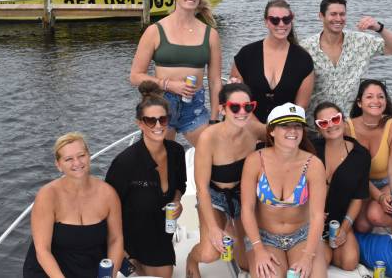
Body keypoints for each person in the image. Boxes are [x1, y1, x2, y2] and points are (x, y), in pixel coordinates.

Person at [130, 0, 222, 147]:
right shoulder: (155, 31)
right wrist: (169, 85)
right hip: (161, 104)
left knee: (214, 152)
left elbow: (215, 81)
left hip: (194, 106)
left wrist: (214, 119)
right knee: (159, 161)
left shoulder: (211, 35)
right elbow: (135, 76)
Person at [106, 81, 187, 278]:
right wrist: (119, 249)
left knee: (166, 274)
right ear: (140, 123)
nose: (158, 126)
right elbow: (107, 207)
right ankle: (130, 262)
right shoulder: (125, 163)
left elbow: (180, 185)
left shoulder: (176, 152)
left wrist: (177, 202)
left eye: (163, 119)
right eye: (151, 121)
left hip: (159, 232)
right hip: (131, 236)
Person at [241, 103, 327, 278]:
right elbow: (247, 209)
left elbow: (317, 215)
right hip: (264, 237)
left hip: (302, 237)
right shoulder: (255, 161)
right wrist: (258, 249)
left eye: (297, 126)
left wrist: (308, 257)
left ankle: (320, 255)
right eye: (285, 126)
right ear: (271, 131)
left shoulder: (314, 164)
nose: (293, 131)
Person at [23, 133, 123, 278]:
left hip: (90, 267)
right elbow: (42, 250)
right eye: (68, 159)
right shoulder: (47, 196)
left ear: (88, 156)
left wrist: (110, 275)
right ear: (58, 165)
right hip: (50, 272)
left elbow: (115, 240)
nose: (77, 163)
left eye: (81, 155)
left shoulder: (108, 194)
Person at [186, 83, 260, 277]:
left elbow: (284, 132)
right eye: (235, 107)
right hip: (214, 198)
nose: (242, 112)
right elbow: (201, 188)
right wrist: (213, 229)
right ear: (221, 109)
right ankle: (192, 257)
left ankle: (233, 231)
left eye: (248, 106)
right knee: (210, 254)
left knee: (246, 264)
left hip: (242, 198)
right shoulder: (208, 138)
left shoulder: (254, 132)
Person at [301, 0, 392, 124]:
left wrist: (379, 28)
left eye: (342, 14)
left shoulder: (361, 41)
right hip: (316, 124)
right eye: (333, 14)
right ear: (321, 16)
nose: (338, 18)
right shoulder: (305, 47)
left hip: (351, 124)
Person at [230, 0, 314, 138]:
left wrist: (277, 132)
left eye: (286, 19)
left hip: (285, 133)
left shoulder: (303, 59)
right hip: (245, 128)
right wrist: (260, 130)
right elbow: (236, 99)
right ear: (266, 22)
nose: (281, 24)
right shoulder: (246, 54)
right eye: (275, 20)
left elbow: (300, 108)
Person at [312, 102, 371, 271]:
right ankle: (321, 249)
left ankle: (327, 247)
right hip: (310, 219)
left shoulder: (361, 155)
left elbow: (358, 198)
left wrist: (345, 229)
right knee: (324, 257)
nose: (330, 125)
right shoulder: (310, 149)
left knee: (350, 262)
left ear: (344, 121)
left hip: (337, 221)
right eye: (323, 123)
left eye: (335, 119)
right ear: (318, 129)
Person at [347, 79, 392, 233]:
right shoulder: (347, 128)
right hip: (362, 184)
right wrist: (379, 197)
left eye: (381, 97)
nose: (376, 101)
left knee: (376, 216)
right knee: (362, 226)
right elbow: (356, 174)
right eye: (369, 97)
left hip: (389, 181)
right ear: (359, 103)